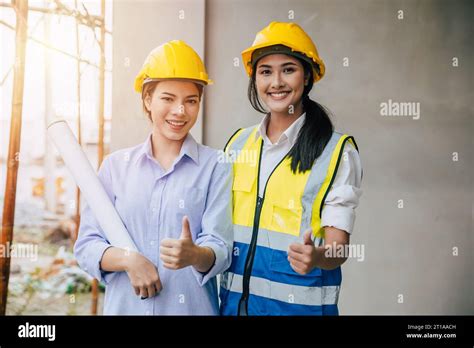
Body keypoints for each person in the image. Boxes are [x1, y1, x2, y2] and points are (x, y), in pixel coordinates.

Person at [74, 40, 233, 315]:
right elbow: (87, 246)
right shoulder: (115, 167)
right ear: (148, 99)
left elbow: (221, 248)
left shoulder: (216, 166)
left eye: (191, 101)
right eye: (168, 98)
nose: (180, 111)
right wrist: (129, 261)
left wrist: (195, 255)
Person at [219, 22, 363, 315]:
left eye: (288, 69)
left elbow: (339, 249)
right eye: (265, 71)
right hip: (235, 310)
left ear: (307, 76)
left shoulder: (336, 152)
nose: (276, 82)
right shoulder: (237, 145)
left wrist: (317, 257)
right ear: (255, 79)